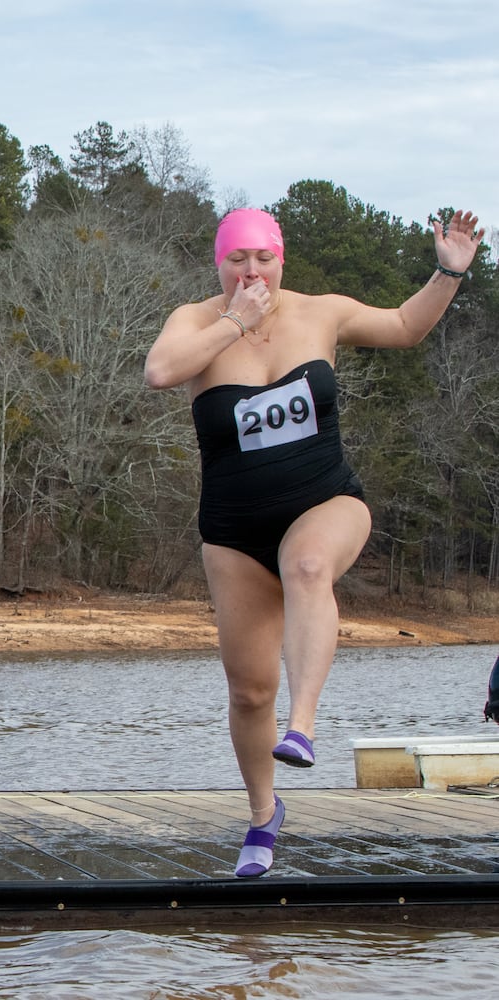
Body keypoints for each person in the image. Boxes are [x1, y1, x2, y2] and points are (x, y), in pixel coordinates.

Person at [144, 206, 484, 877]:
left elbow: (404, 326)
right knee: (247, 692)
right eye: (236, 259)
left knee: (306, 567)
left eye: (262, 258)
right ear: (220, 263)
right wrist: (234, 322)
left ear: (281, 258)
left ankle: (302, 728)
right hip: (234, 530)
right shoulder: (195, 320)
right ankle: (264, 816)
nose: (250, 271)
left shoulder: (320, 312)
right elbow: (160, 372)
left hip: (326, 501)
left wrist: (447, 274)